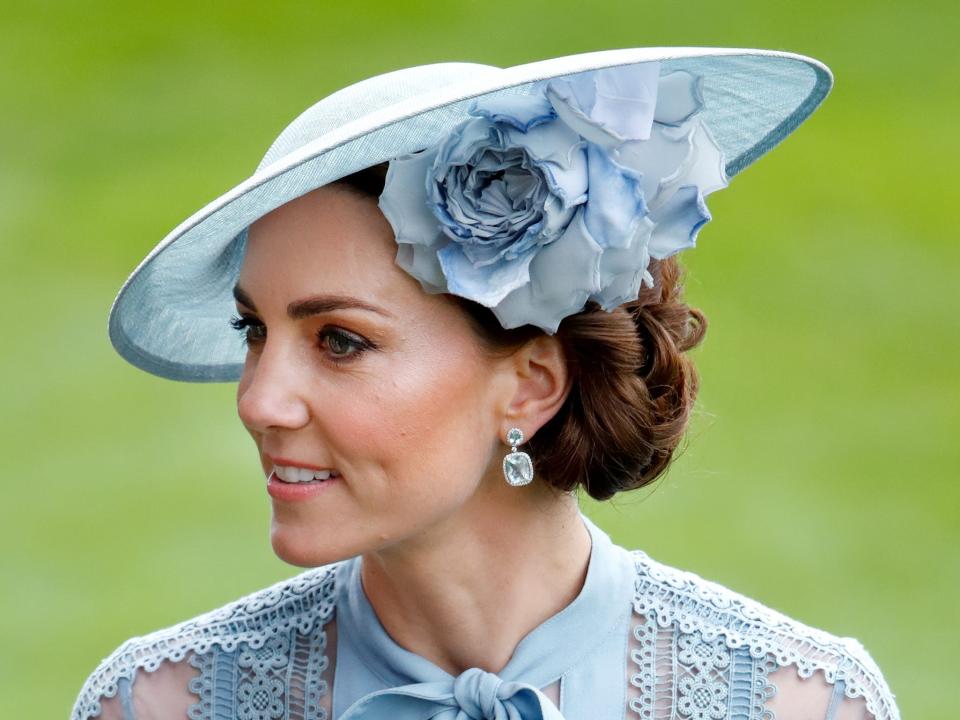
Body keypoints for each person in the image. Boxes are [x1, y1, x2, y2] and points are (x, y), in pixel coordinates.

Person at [72, 48, 900, 720]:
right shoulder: (158, 706)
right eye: (253, 330)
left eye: (340, 341)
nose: (258, 401)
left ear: (532, 385)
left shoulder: (797, 704)